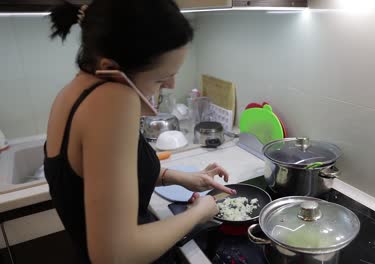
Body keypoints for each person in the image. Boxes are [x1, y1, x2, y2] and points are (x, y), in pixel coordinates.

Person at [43, 1, 236, 263]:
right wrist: (198, 214)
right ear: (110, 67)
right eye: (160, 78)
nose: (170, 85)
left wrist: (180, 178)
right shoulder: (114, 99)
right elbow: (115, 254)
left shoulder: (73, 92)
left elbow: (106, 181)